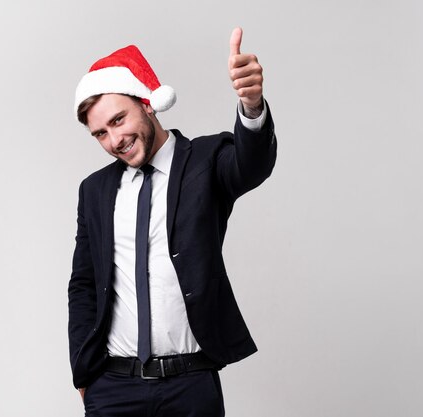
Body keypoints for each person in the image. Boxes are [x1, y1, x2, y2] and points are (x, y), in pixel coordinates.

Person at [68, 27, 277, 416]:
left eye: (118, 120)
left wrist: (251, 107)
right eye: (100, 133)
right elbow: (83, 284)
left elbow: (251, 166)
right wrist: (83, 373)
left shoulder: (206, 160)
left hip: (190, 383)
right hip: (113, 386)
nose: (114, 140)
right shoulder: (94, 191)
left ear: (148, 104)